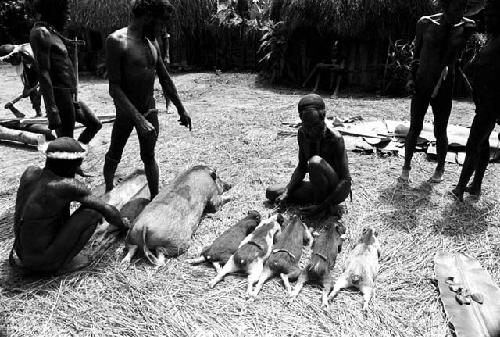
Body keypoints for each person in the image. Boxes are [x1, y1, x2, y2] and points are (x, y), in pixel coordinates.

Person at [104, 0, 191, 199]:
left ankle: (154, 199)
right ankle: (108, 189)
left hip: (148, 109)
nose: (162, 29)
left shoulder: (152, 44)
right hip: (126, 113)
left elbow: (165, 79)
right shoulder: (116, 41)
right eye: (161, 23)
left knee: (149, 157)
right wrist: (138, 120)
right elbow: (114, 88)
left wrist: (181, 108)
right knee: (114, 153)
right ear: (149, 17)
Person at [10, 137, 127, 275]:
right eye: (78, 164)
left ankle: (47, 257)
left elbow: (58, 168)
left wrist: (72, 168)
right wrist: (124, 224)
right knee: (92, 212)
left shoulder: (30, 173)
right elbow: (106, 210)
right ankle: (61, 264)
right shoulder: (66, 185)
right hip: (40, 263)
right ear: (70, 165)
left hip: (20, 253)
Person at [400, 0, 475, 183]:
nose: (459, 12)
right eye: (456, 6)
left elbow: (457, 47)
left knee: (440, 130)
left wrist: (463, 24)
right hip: (422, 82)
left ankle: (440, 168)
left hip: (444, 85)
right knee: (414, 127)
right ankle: (406, 167)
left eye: (463, 8)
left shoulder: (465, 27)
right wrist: (411, 77)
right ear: (445, 5)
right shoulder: (425, 23)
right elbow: (416, 54)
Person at [26, 0, 102, 144]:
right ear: (53, 10)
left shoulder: (53, 33)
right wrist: (52, 110)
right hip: (59, 94)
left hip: (70, 94)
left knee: (94, 124)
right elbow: (43, 72)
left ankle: (76, 153)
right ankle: (67, 162)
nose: (68, 18)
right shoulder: (41, 32)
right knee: (66, 140)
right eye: (64, 13)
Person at [266, 94, 352, 218]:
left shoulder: (335, 139)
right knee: (272, 192)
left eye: (315, 125)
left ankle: (323, 207)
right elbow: (301, 167)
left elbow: (346, 181)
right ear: (302, 120)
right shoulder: (302, 134)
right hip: (316, 187)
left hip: (333, 190)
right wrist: (287, 191)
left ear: (323, 118)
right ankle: (314, 200)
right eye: (307, 126)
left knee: (315, 162)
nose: (311, 131)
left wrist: (322, 206)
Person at [451, 0, 500, 201]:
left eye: (491, 17)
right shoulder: (491, 40)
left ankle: (460, 188)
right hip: (483, 103)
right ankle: (476, 186)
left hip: (492, 104)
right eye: (486, 16)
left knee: (473, 143)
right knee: (483, 142)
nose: (486, 20)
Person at [0, 43, 42, 117]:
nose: (12, 64)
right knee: (32, 88)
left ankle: (52, 114)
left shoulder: (30, 55)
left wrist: (39, 92)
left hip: (51, 68)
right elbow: (28, 78)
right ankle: (38, 113)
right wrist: (27, 87)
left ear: (16, 55)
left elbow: (46, 76)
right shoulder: (22, 58)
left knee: (49, 91)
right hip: (35, 66)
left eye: (11, 61)